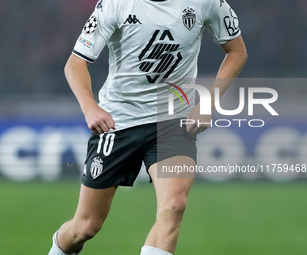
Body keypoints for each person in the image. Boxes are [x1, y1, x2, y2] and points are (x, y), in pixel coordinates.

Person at [48, 0, 247, 254]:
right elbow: (75, 63)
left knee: (174, 205)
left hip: (173, 122)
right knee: (85, 227)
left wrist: (208, 103)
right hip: (118, 122)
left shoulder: (205, 2)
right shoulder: (114, 4)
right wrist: (90, 107)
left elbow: (237, 51)